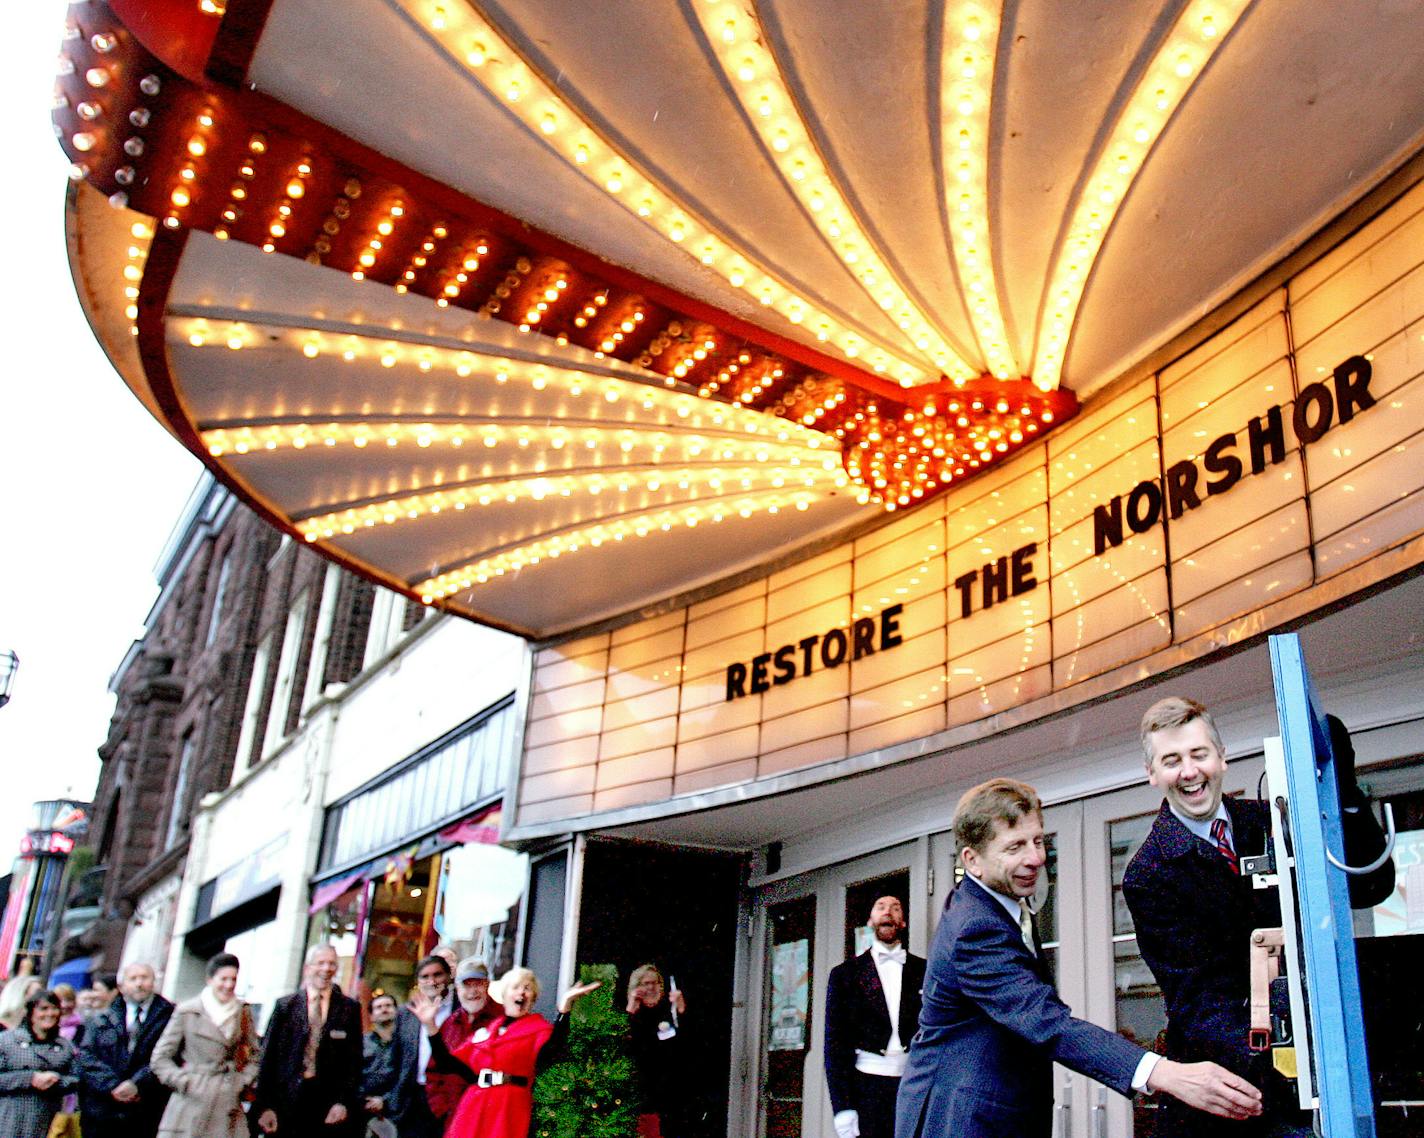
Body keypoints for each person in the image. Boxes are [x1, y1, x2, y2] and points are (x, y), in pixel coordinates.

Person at [895, 778, 1264, 1138]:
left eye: (1038, 841)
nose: (1036, 858)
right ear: (972, 860)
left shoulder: (996, 900)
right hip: (960, 1119)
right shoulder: (975, 928)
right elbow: (1044, 1021)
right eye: (1015, 848)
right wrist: (1165, 1073)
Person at [1123, 697, 1395, 1136]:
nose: (1189, 771)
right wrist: (1287, 1069)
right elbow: (1201, 1000)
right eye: (1171, 761)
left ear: (1222, 758)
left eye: (1199, 754)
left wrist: (1340, 783)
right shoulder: (1149, 873)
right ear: (1152, 775)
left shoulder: (1272, 821)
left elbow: (1370, 885)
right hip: (1238, 1095)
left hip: (1324, 1069)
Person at [411, 967, 600, 1138]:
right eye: (516, 987)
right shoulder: (486, 1032)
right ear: (505, 994)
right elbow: (448, 1064)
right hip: (474, 1104)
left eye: (527, 988)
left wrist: (564, 1011)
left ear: (533, 998)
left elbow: (552, 1052)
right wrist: (430, 1026)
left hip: (508, 1106)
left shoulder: (539, 1029)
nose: (522, 992)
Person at [824, 897, 925, 1138]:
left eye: (895, 908)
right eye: (880, 907)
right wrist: (843, 1107)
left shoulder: (924, 970)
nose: (888, 912)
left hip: (913, 1086)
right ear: (870, 921)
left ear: (903, 922)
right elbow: (835, 1045)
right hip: (866, 1089)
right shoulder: (844, 975)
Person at [252, 943, 363, 1135]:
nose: (326, 969)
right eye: (320, 963)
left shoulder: (349, 1009)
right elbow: (268, 1058)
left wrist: (343, 1102)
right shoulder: (285, 1006)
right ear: (307, 968)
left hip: (327, 1107)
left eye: (331, 964)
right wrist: (264, 1106)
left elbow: (353, 1062)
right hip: (284, 1103)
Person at [150, 952, 260, 1138]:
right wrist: (184, 1082)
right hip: (190, 1100)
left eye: (233, 979)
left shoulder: (242, 1012)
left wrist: (241, 1081)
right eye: (223, 979)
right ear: (210, 979)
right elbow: (160, 1058)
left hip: (227, 1100)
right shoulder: (188, 1011)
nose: (229, 985)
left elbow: (256, 1055)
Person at [75, 960, 174, 1138]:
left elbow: (168, 1056)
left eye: (144, 978)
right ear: (121, 986)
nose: (139, 983)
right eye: (133, 978)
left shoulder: (170, 1017)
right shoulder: (101, 1018)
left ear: (154, 982)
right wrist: (113, 1085)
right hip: (102, 1111)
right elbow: (86, 1056)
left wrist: (137, 1084)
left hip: (146, 1111)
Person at [424, 958, 500, 1129]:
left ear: (487, 985)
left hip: (490, 1120)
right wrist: (442, 1110)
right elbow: (433, 1072)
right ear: (457, 988)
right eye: (467, 985)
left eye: (478, 984)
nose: (473, 991)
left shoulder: (503, 1019)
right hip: (454, 1120)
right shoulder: (449, 1024)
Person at [625, 963, 698, 1138]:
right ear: (636, 988)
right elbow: (625, 1045)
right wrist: (631, 1007)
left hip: (673, 1090)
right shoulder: (632, 1013)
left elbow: (690, 1043)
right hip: (643, 1092)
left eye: (655, 983)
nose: (651, 987)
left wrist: (681, 1009)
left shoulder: (669, 1010)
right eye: (645, 983)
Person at [385, 954, 453, 1137]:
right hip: (411, 1096)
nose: (432, 981)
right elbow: (394, 1057)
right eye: (425, 976)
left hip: (445, 1097)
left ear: (448, 976)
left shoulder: (459, 1011)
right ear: (418, 981)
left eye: (437, 975)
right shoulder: (405, 1013)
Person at [0, 989, 79, 1138]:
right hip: (9, 1120)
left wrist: (57, 1080)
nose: (50, 1014)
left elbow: (77, 1078)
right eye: (43, 1009)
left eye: (54, 1008)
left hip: (47, 1122)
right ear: (31, 1012)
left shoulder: (65, 1046)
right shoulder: (6, 1041)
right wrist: (30, 1079)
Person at [362, 992, 400, 1132]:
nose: (384, 1009)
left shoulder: (406, 1045)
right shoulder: (361, 1043)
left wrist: (385, 1100)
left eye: (388, 1006)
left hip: (395, 1110)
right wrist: (365, 1100)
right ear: (371, 1016)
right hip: (361, 1109)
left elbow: (406, 1077)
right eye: (379, 1007)